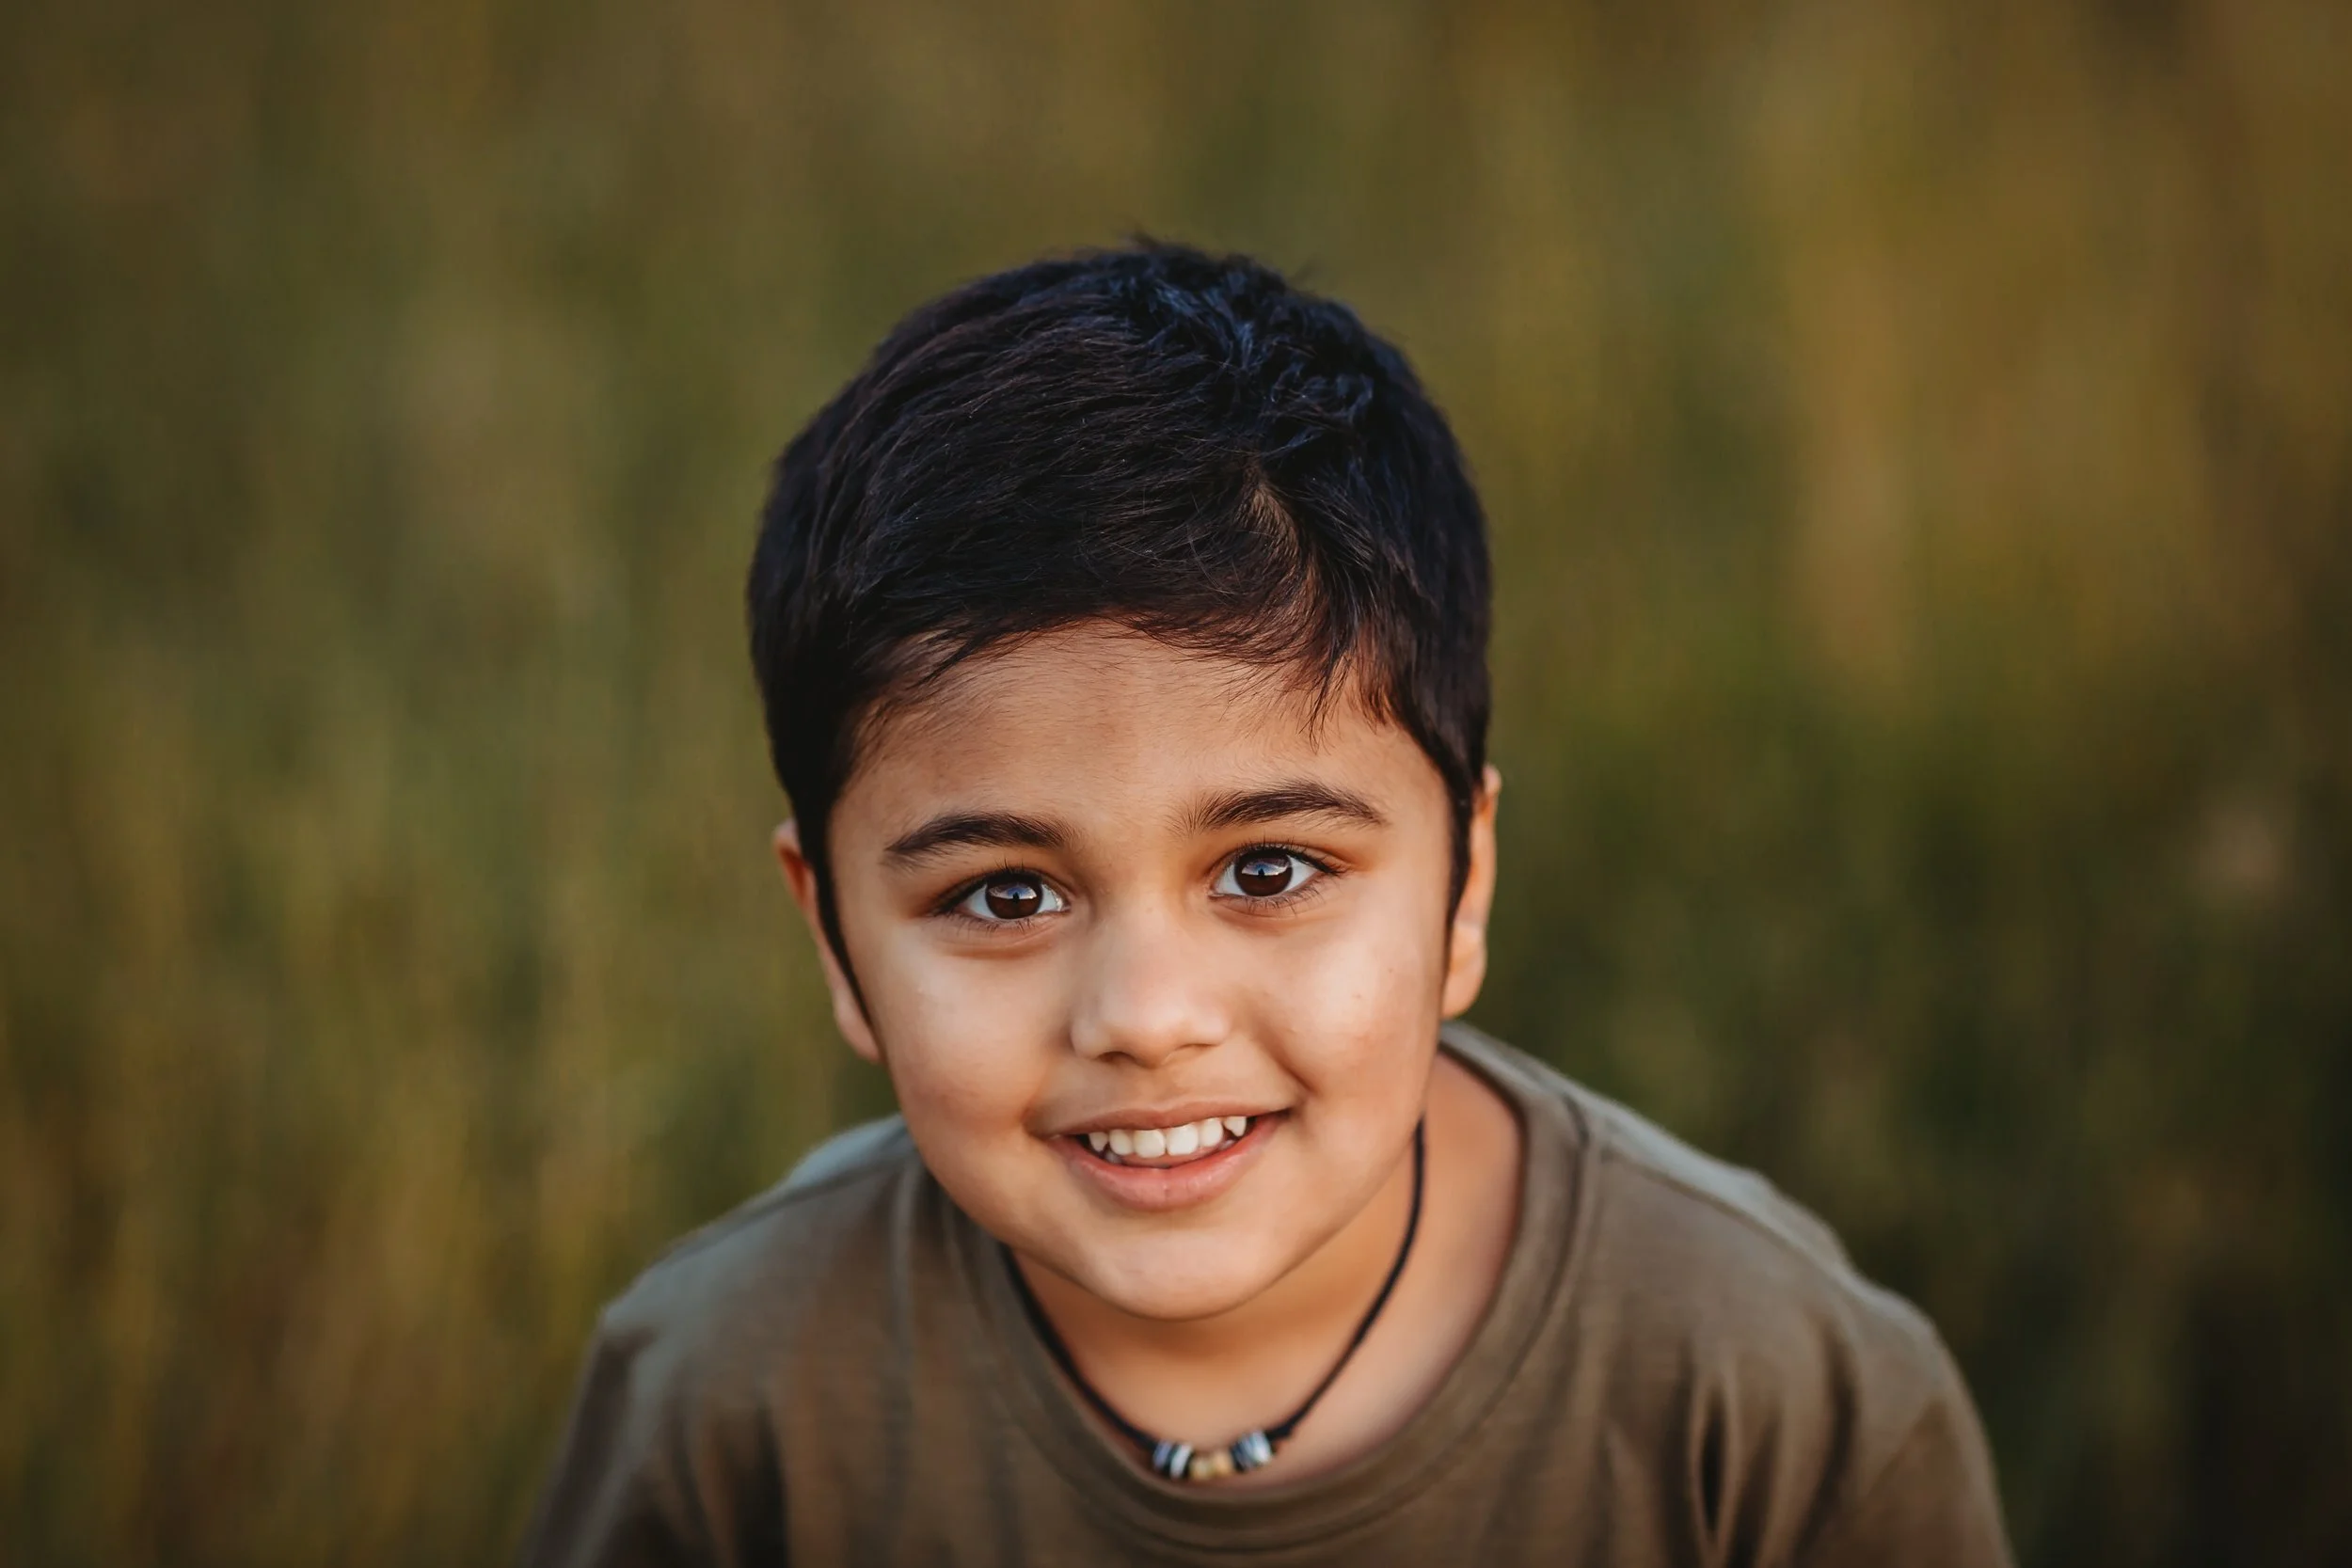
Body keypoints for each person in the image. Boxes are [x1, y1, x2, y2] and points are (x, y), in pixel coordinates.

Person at [520, 243, 2012, 1566]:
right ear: (832, 932)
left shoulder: (1766, 1396)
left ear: (1465, 882)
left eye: (1269, 870)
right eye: (1008, 891)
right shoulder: (725, 1399)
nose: (1149, 1017)